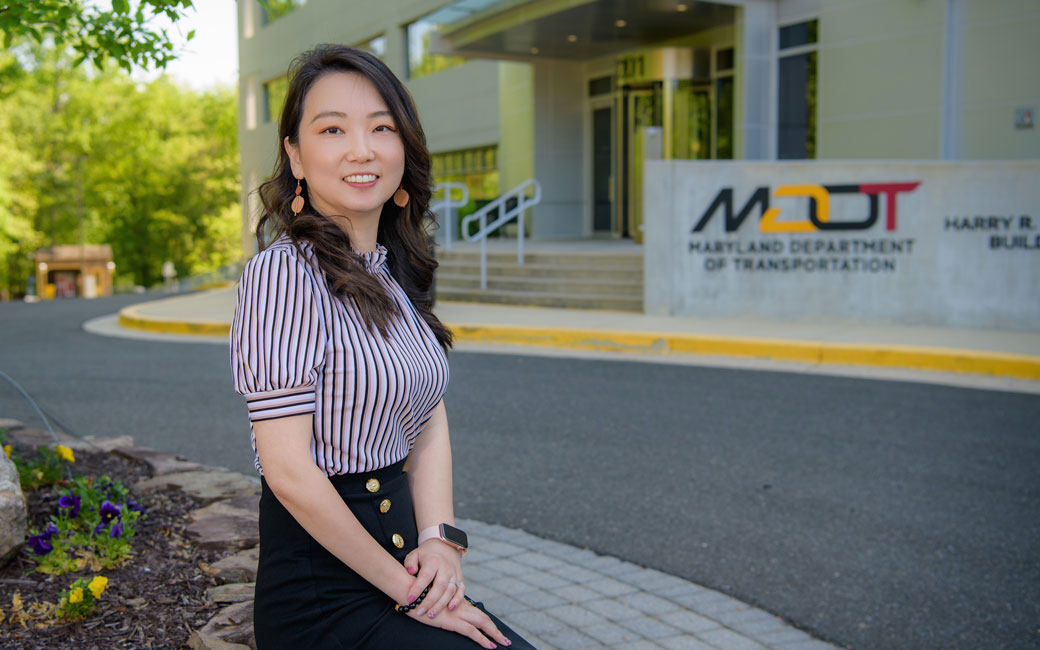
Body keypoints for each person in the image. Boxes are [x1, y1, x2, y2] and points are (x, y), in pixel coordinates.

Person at [229, 44, 536, 650]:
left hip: (403, 566)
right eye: (332, 129)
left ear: (405, 147)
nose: (361, 150)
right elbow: (289, 471)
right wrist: (410, 592)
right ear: (295, 153)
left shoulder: (393, 274)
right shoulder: (283, 273)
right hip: (325, 593)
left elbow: (427, 414)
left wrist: (441, 541)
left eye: (382, 127)